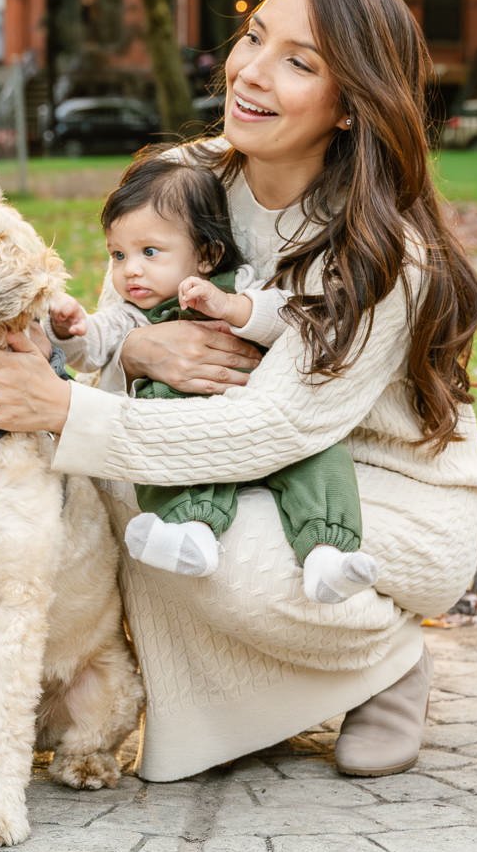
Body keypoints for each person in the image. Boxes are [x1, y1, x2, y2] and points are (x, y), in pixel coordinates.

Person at [0, 0, 477, 783]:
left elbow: (272, 426)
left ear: (351, 106)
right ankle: (264, 691)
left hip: (376, 498)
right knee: (117, 495)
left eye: (299, 62)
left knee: (189, 543)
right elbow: (118, 322)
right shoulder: (193, 176)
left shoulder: (383, 250)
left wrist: (59, 409)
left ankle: (382, 662)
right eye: (255, 36)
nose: (252, 73)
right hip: (245, 478)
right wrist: (130, 347)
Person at [48, 150, 380, 604]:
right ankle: (191, 530)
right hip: (195, 442)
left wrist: (229, 308)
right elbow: (90, 352)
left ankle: (327, 553)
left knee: (321, 456)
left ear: (206, 255)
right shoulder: (128, 315)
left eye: (150, 252)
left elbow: (289, 318)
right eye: (118, 255)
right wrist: (69, 329)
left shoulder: (241, 283)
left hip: (260, 432)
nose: (131, 270)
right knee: (165, 441)